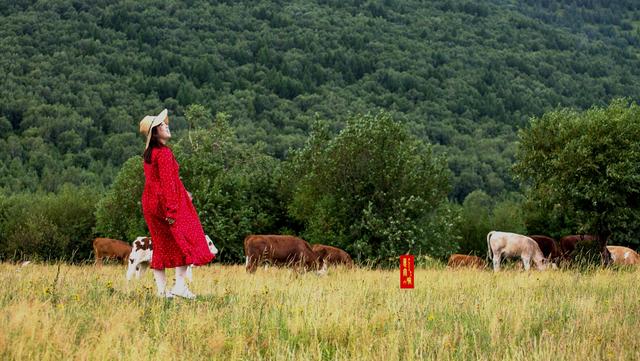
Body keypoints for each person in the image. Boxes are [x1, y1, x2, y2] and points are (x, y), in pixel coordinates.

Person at [139, 109, 214, 299]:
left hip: (150, 203)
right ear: (155, 133)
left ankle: (162, 292)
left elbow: (163, 180)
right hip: (166, 204)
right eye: (162, 125)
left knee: (161, 244)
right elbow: (167, 184)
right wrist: (173, 211)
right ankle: (179, 286)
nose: (167, 125)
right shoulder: (163, 154)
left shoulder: (150, 154)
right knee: (187, 239)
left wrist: (184, 191)